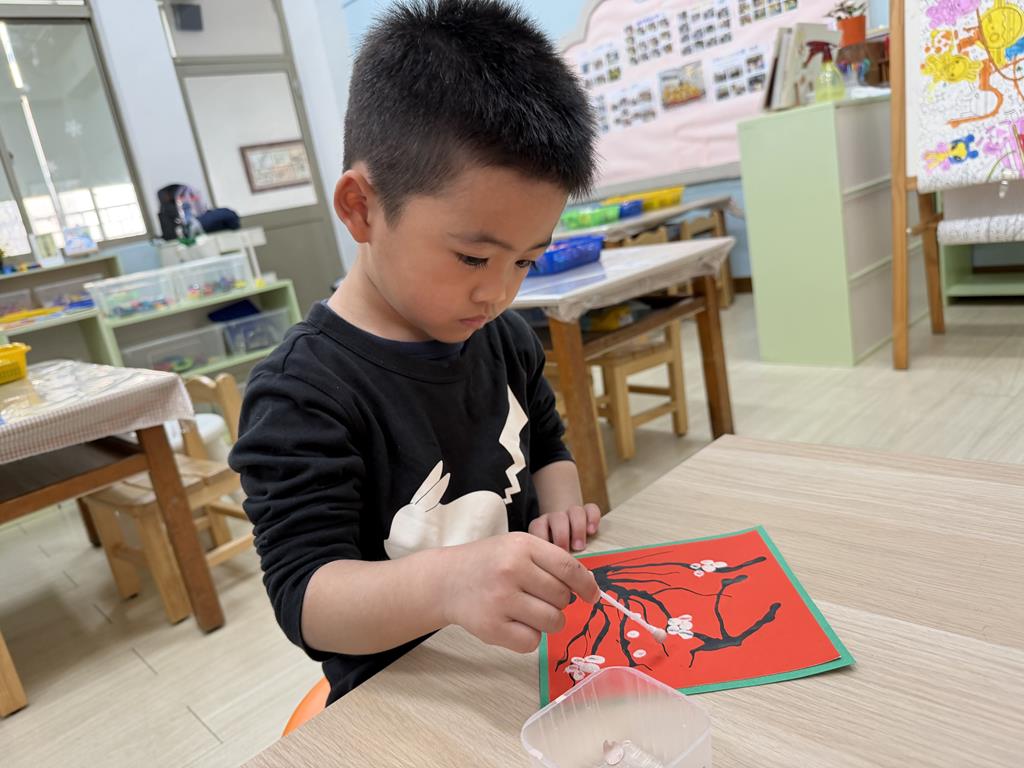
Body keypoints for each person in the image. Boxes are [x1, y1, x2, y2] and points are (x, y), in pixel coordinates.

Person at [229, 0, 602, 706]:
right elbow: (305, 596)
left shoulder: (503, 339)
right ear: (361, 208)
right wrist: (450, 583)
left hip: (523, 667)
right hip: (407, 697)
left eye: (525, 260)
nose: (497, 292)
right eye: (473, 256)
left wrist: (559, 507)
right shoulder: (301, 393)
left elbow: (548, 443)